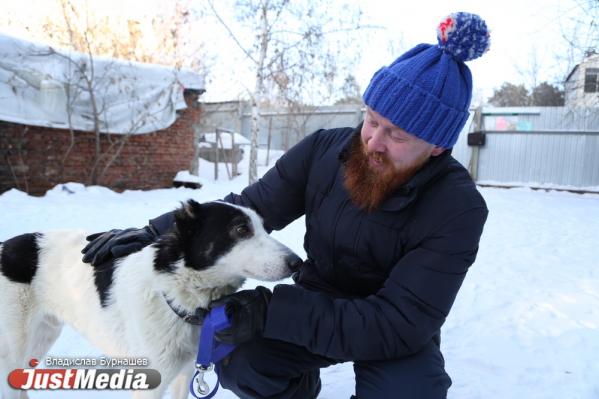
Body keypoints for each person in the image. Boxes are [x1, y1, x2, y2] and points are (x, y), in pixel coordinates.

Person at [82, 12, 490, 399]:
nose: (373, 142)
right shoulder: (325, 151)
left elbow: (401, 321)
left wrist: (272, 311)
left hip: (394, 326)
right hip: (321, 295)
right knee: (240, 360)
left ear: (437, 145)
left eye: (396, 135)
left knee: (408, 393)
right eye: (372, 119)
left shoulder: (458, 208)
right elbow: (248, 206)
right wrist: (156, 231)